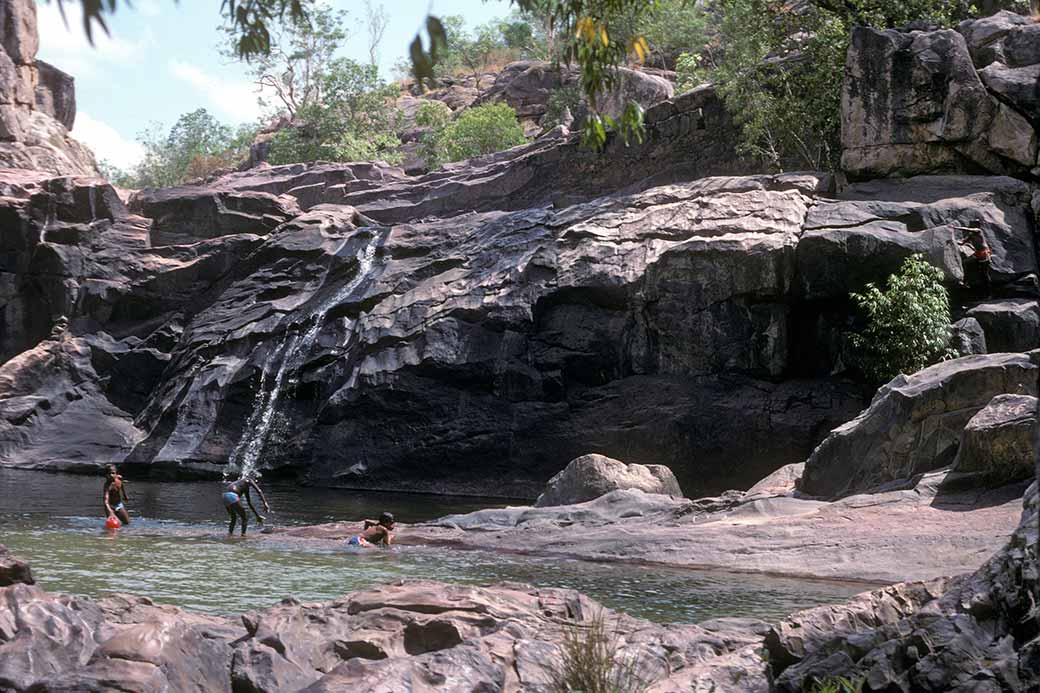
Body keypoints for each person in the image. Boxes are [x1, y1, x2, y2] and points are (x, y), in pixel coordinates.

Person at [954, 225, 993, 296]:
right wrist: (953, 241)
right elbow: (962, 242)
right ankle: (965, 282)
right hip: (978, 253)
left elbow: (970, 229)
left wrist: (957, 228)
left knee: (984, 274)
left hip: (984, 252)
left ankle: (988, 292)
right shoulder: (970, 236)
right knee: (966, 263)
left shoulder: (979, 231)